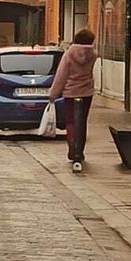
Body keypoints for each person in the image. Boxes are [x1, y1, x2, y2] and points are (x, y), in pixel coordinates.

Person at [50, 28, 98, 173]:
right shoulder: (93, 54)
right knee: (82, 121)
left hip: (71, 91)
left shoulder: (69, 54)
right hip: (87, 92)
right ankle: (80, 151)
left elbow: (62, 75)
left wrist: (53, 93)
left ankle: (72, 149)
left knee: (71, 121)